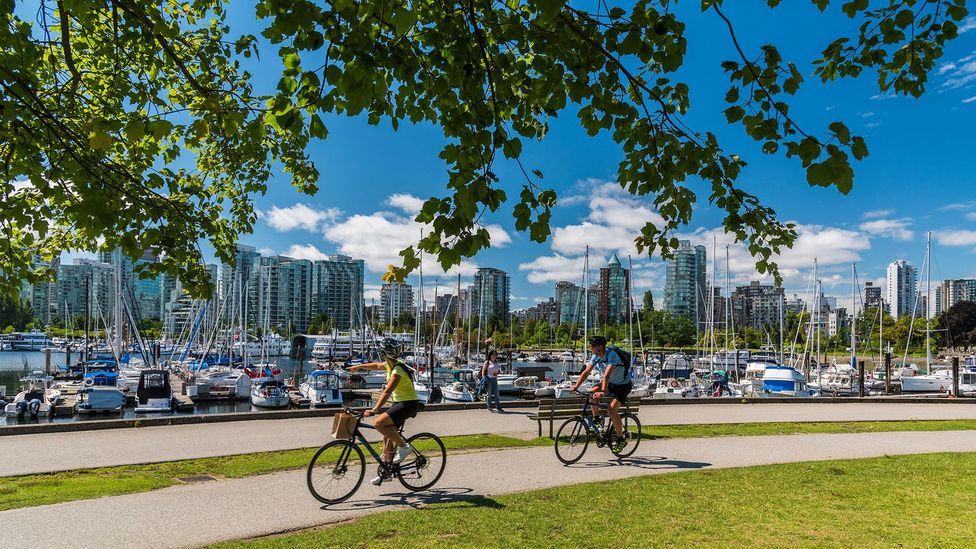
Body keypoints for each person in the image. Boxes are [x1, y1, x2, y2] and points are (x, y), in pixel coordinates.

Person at [348, 338, 422, 486]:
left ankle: (405, 447)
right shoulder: (390, 365)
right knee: (387, 436)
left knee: (378, 423)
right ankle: (387, 473)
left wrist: (375, 409)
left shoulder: (398, 370)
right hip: (399, 403)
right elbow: (375, 366)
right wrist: (358, 366)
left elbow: (388, 391)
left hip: (408, 404)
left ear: (383, 353)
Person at [569, 335, 631, 452]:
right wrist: (576, 386)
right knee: (591, 393)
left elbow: (606, 375)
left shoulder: (612, 355)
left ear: (600, 347)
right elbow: (587, 371)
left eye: (592, 346)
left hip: (623, 386)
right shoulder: (596, 356)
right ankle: (597, 420)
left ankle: (620, 438)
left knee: (611, 410)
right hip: (611, 384)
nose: (590, 347)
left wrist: (602, 392)